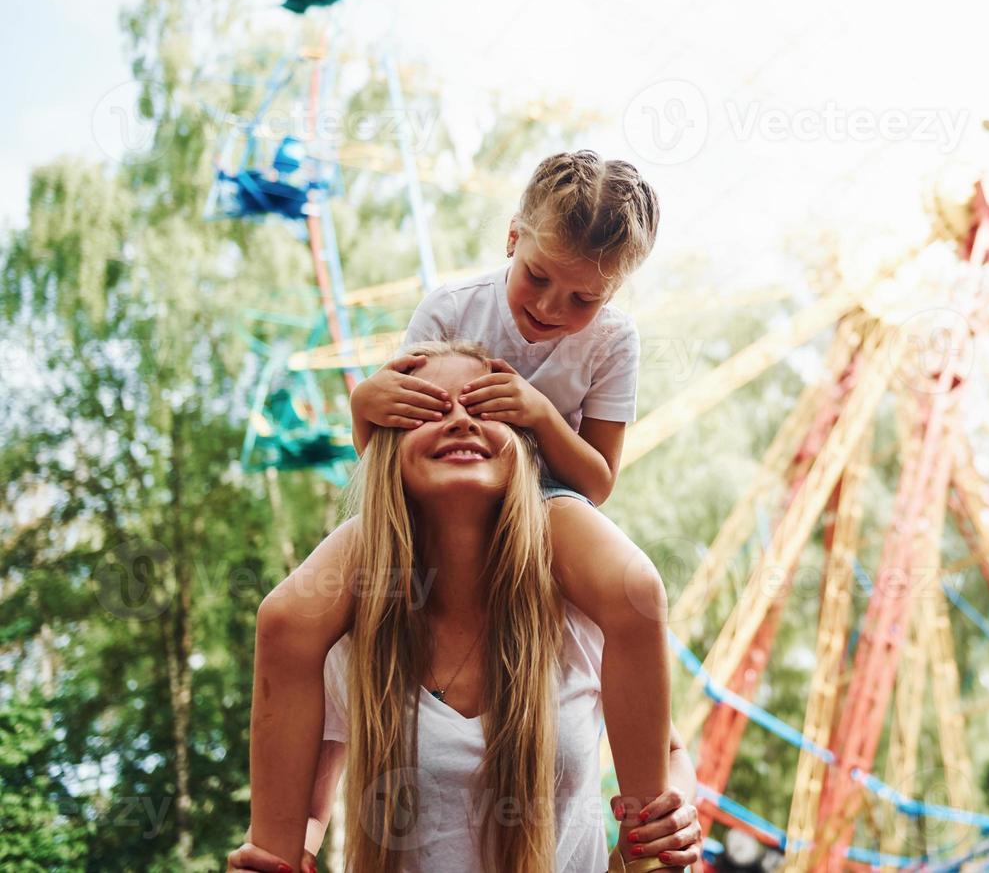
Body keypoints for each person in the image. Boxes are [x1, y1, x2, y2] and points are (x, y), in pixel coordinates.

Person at [249, 151, 677, 870]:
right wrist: (363, 405)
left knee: (635, 590)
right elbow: (395, 440)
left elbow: (598, 481)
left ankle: (647, 833)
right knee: (287, 615)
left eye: (582, 300)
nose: (549, 309)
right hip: (419, 504)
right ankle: (271, 850)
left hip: (544, 507)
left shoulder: (615, 343)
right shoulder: (450, 306)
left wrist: (538, 417)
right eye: (538, 279)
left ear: (614, 293)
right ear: (513, 236)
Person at [242, 341, 700, 872]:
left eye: (485, 408)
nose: (460, 421)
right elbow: (309, 811)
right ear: (389, 450)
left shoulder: (581, 618)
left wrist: (675, 811)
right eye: (428, 410)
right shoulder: (352, 638)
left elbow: (668, 754)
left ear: (529, 452)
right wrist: (281, 855)